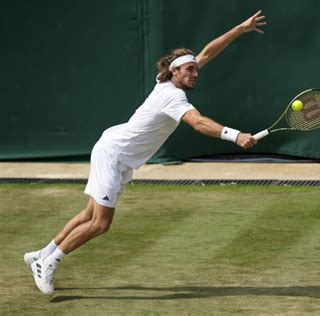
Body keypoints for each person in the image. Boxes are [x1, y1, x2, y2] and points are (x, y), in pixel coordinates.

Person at [24, 10, 267, 295]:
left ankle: (43, 253)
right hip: (113, 154)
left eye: (195, 69)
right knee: (101, 223)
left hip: (119, 154)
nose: (195, 72)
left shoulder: (168, 80)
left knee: (90, 213)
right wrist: (236, 136)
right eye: (190, 69)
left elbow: (206, 53)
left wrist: (240, 28)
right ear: (175, 71)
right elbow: (199, 123)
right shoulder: (172, 97)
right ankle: (50, 262)